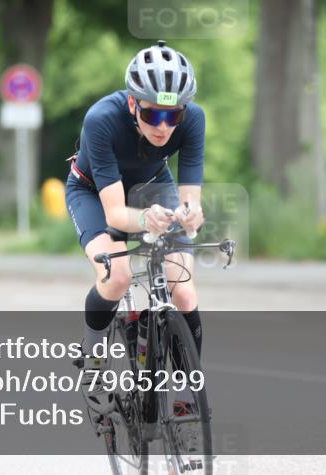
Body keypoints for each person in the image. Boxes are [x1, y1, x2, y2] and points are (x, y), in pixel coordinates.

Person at [65, 40, 206, 414]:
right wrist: (145, 220)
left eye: (172, 116)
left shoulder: (193, 119)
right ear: (132, 104)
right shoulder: (101, 119)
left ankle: (186, 395)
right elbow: (115, 215)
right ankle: (93, 359)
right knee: (118, 275)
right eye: (152, 115)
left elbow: (192, 196)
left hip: (151, 184)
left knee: (183, 289)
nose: (163, 127)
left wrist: (191, 213)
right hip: (94, 192)